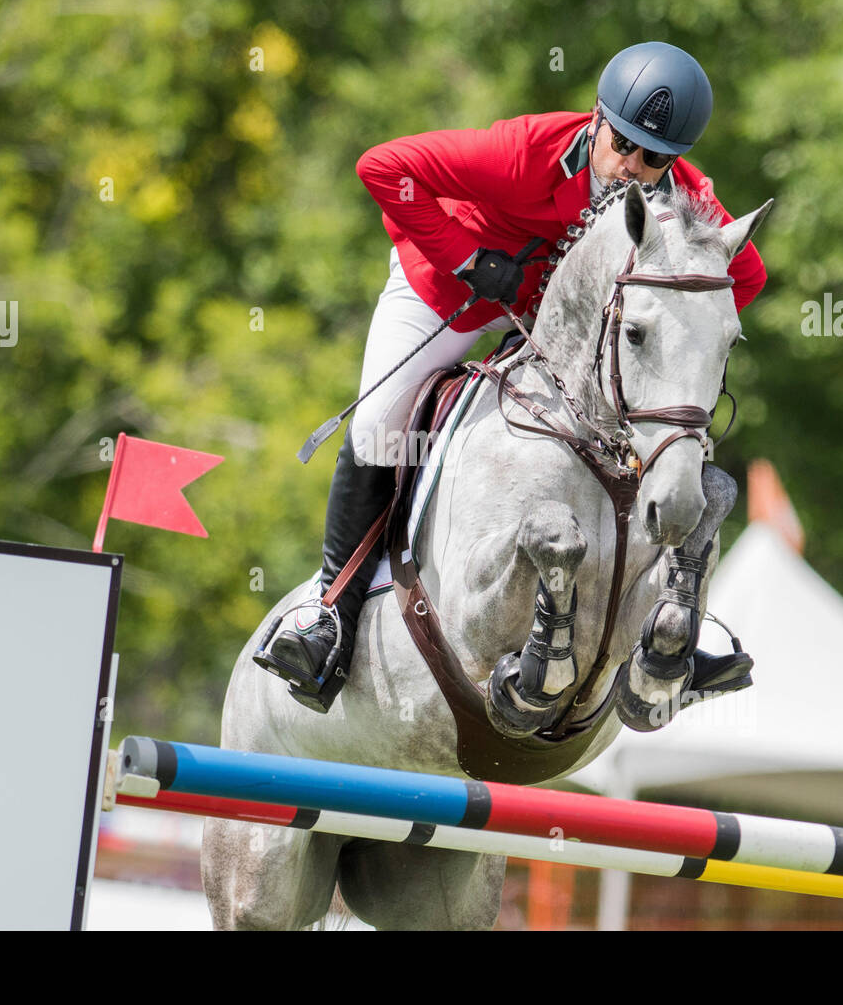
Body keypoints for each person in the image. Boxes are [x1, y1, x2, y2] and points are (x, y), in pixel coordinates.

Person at [255, 42, 767, 713]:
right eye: (624, 145)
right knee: (383, 426)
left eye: (655, 158)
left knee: (657, 439)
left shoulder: (685, 198)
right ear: (595, 119)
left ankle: (673, 618)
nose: (634, 169)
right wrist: (468, 256)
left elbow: (745, 275)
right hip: (450, 292)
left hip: (566, 329)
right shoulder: (524, 152)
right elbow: (384, 168)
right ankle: (328, 614)